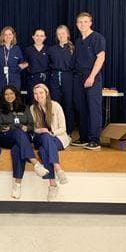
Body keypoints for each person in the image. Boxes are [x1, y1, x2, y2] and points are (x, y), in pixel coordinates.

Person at [0, 85, 49, 199]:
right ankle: (35, 163)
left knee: (17, 149)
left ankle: (17, 184)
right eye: (6, 94)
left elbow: (31, 126)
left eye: (11, 93)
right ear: (3, 96)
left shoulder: (24, 108)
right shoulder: (0, 109)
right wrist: (19, 127)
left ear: (15, 94)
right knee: (18, 133)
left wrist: (15, 126)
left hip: (21, 139)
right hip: (6, 138)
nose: (9, 96)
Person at [71, 12, 106, 151]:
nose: (82, 24)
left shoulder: (97, 38)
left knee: (93, 108)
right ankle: (84, 137)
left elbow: (101, 57)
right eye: (80, 22)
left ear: (90, 23)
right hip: (78, 77)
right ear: (77, 24)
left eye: (85, 21)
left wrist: (91, 76)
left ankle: (94, 139)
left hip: (91, 76)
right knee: (81, 108)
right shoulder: (78, 41)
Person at [30, 84, 70, 201]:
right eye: (36, 93)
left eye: (41, 93)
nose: (38, 95)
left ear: (46, 93)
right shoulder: (33, 108)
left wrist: (51, 132)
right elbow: (33, 128)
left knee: (43, 151)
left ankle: (52, 185)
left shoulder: (55, 106)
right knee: (45, 137)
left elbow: (63, 128)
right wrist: (40, 130)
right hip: (40, 138)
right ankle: (58, 168)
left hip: (56, 137)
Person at [48, 25, 74, 135]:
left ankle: (68, 130)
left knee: (68, 105)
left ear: (67, 34)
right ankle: (56, 130)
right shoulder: (52, 49)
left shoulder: (73, 49)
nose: (61, 36)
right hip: (54, 78)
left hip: (68, 77)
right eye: (59, 34)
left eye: (63, 33)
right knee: (55, 105)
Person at [0, 26, 26, 99]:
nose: (8, 36)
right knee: (2, 99)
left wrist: (17, 69)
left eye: (10, 34)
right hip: (1, 78)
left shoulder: (17, 48)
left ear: (13, 36)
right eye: (5, 34)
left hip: (14, 78)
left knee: (15, 99)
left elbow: (22, 62)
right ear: (2, 36)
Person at [25, 29, 50, 103]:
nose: (39, 38)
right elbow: (25, 64)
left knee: (45, 101)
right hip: (32, 79)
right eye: (37, 36)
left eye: (42, 36)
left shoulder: (49, 49)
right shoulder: (28, 50)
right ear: (33, 37)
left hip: (45, 79)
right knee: (32, 101)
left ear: (45, 37)